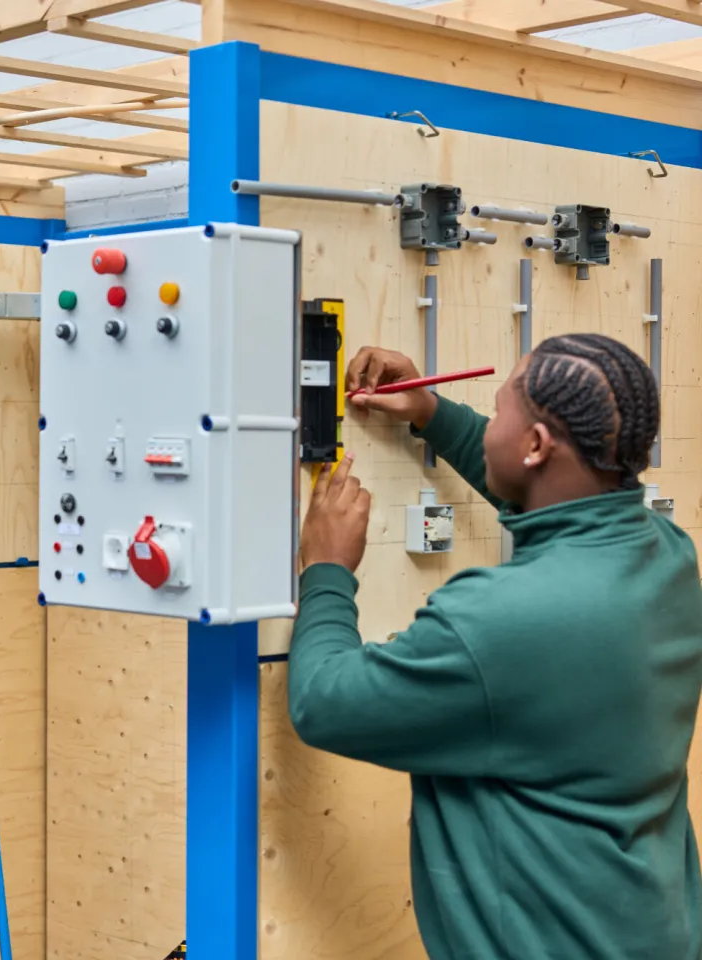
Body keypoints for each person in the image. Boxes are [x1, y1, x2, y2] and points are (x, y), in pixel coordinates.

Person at [289, 334, 702, 959]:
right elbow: (560, 511)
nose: (490, 422)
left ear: (535, 446)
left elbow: (323, 702)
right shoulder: (667, 555)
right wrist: (432, 413)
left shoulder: (495, 621)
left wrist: (326, 570)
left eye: (499, 408)